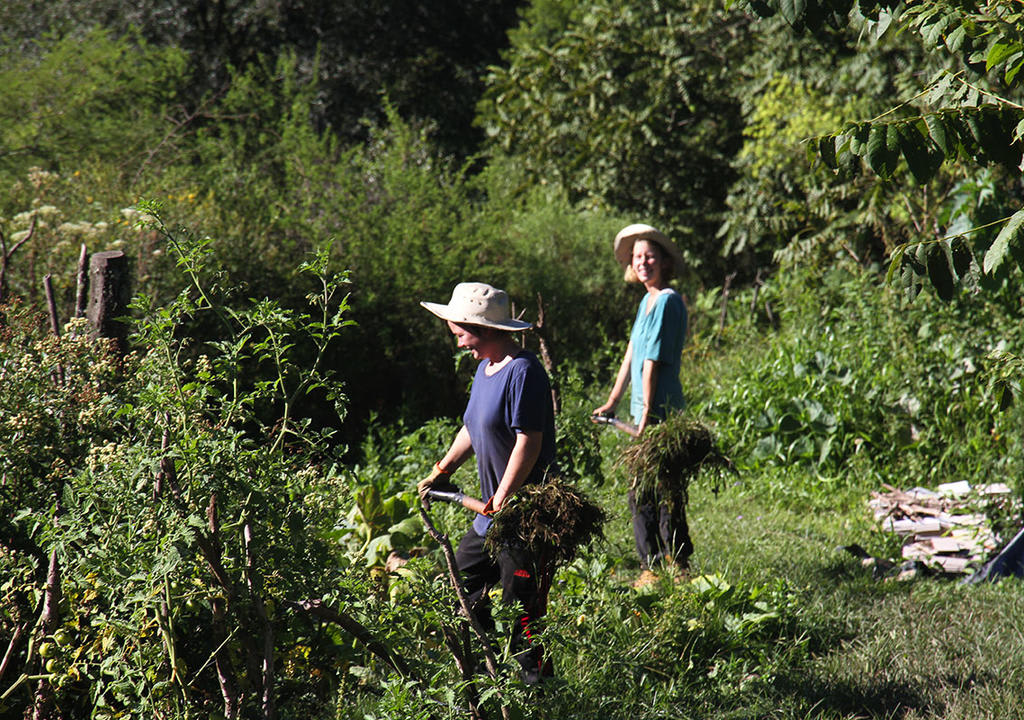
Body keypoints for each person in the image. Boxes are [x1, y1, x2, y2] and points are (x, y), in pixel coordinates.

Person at [417, 281, 557, 684]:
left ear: (485, 330)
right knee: (460, 588)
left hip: (524, 519)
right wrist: (441, 470)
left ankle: (541, 697)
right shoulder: (486, 369)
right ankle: (483, 679)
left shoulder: (524, 372)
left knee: (522, 616)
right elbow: (471, 427)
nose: (460, 344)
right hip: (491, 518)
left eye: (461, 335)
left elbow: (528, 442)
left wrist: (504, 496)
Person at [592, 224, 692, 585]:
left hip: (661, 413)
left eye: (649, 255)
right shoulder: (646, 301)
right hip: (643, 412)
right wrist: (612, 400)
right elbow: (632, 353)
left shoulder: (667, 300)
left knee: (665, 491)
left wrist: (646, 414)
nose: (643, 262)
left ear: (664, 261)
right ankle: (651, 566)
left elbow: (651, 361)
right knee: (643, 493)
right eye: (638, 257)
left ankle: (677, 566)